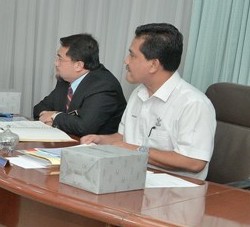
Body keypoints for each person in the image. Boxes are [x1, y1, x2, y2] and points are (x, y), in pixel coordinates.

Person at [81, 23, 216, 180]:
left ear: (153, 65)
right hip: (131, 178)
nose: (126, 61)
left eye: (132, 55)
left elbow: (194, 162)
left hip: (174, 188)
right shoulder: (138, 93)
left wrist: (136, 150)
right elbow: (124, 138)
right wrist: (102, 140)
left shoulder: (193, 103)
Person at [33, 33, 127, 136]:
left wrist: (55, 117)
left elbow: (84, 127)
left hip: (97, 145)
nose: (56, 63)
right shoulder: (66, 80)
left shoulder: (103, 86)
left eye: (60, 59)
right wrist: (53, 118)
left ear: (78, 65)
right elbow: (39, 108)